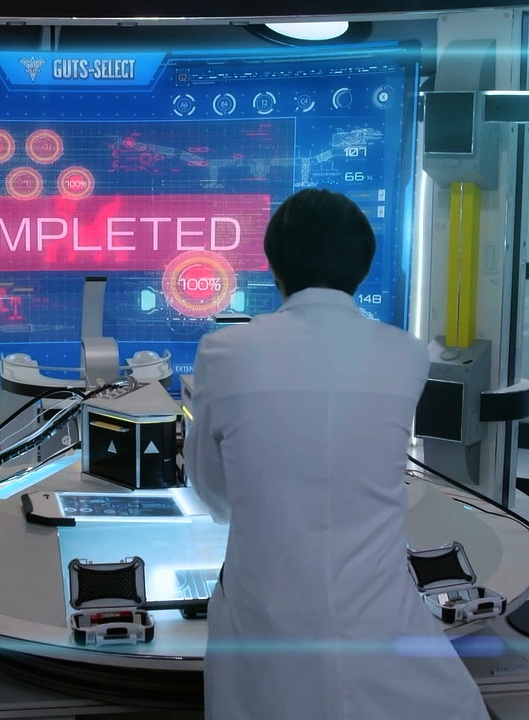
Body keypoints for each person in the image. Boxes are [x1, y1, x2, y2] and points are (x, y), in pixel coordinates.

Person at [187, 188, 488, 720]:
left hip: (264, 622)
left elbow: (214, 494)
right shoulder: (407, 353)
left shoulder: (224, 351)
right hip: (381, 622)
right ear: (362, 268)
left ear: (274, 265)